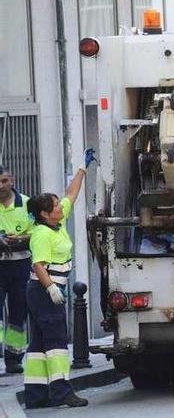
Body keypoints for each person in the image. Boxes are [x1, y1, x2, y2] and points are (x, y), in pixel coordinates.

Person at [23, 151, 94, 409]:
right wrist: (51, 287)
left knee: (40, 343)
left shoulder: (58, 223)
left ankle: (36, 395)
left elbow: (71, 194)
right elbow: (38, 264)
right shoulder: (42, 233)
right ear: (44, 213)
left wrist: (82, 170)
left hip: (43, 292)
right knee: (56, 343)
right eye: (55, 205)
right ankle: (62, 391)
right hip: (44, 291)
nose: (60, 206)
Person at [0, 165, 34, 373]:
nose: (1, 186)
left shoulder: (27, 204)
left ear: (11, 180)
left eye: (4, 181)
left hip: (20, 264)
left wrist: (19, 239)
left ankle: (14, 358)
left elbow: (37, 232)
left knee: (18, 313)